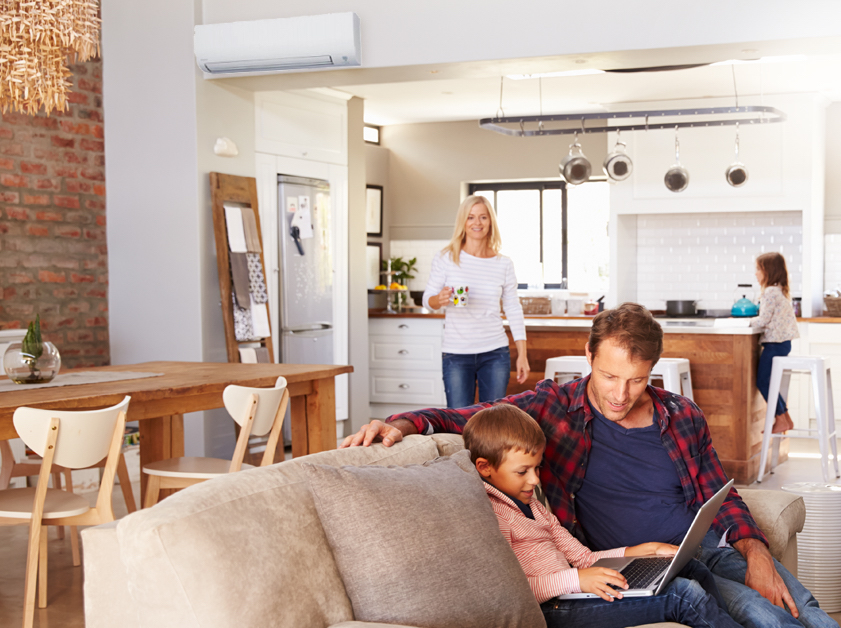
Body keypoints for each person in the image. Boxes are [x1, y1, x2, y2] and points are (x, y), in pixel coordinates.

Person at [342, 302, 836, 628]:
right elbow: (466, 416)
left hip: (700, 544)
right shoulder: (553, 407)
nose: (621, 394)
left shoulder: (681, 415)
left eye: (637, 380)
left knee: (802, 607)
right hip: (635, 558)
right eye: (609, 376)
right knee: (760, 614)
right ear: (587, 356)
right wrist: (404, 423)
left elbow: (720, 493)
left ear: (653, 371)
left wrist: (755, 554)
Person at [463, 403, 740, 628]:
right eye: (523, 471)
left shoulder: (533, 506)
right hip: (552, 610)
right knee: (684, 596)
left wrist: (641, 551)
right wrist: (577, 580)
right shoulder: (490, 516)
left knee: (691, 568)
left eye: (537, 468)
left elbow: (584, 558)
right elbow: (510, 593)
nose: (535, 480)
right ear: (485, 467)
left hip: (573, 591)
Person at [422, 194, 529, 408]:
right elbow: (427, 300)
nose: (477, 223)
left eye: (483, 217)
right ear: (463, 221)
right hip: (456, 354)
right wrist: (439, 299)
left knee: (492, 423)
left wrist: (522, 355)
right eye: (471, 217)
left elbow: (513, 309)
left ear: (491, 222)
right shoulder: (446, 258)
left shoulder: (503, 264)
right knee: (458, 423)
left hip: (495, 352)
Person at [752, 252, 799, 433]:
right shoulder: (778, 290)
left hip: (774, 344)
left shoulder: (770, 292)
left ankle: (780, 418)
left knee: (763, 382)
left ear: (768, 271)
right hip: (782, 343)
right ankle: (785, 418)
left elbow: (763, 320)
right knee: (767, 381)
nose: (756, 274)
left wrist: (746, 322)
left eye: (758, 269)